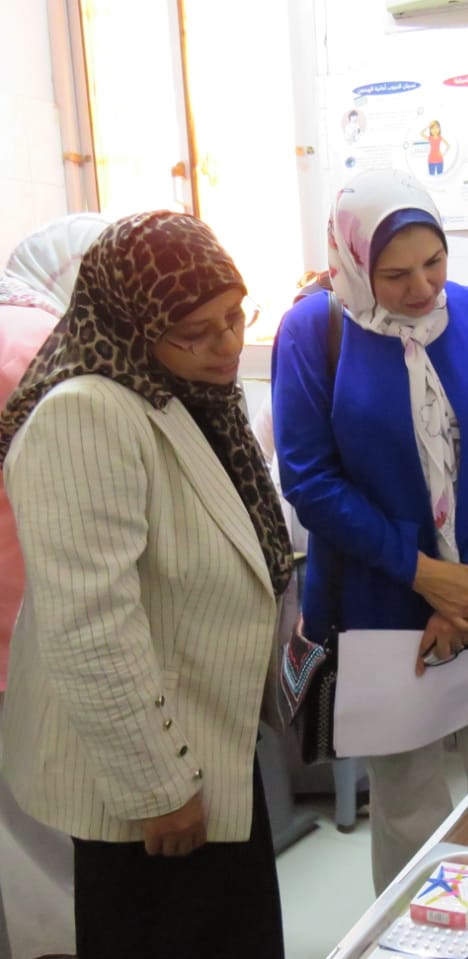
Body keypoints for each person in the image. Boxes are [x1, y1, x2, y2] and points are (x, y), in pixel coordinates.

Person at [0, 211, 291, 958]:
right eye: (197, 331)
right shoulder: (85, 416)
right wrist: (158, 788)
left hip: (212, 743)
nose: (229, 344)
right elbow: (90, 628)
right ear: (131, 324)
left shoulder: (185, 392)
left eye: (236, 316)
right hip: (153, 780)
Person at [272, 168, 468, 894]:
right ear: (355, 262)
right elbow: (309, 479)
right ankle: (417, 936)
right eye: (394, 275)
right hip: (382, 604)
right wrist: (427, 576)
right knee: (408, 807)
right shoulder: (314, 330)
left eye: (435, 262)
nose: (423, 287)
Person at [0, 212, 109, 959]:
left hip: (20, 619)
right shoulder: (47, 343)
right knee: (64, 827)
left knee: (23, 834)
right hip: (40, 616)